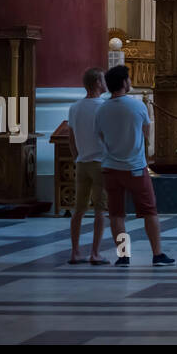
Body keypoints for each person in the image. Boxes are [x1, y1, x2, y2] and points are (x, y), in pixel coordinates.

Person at [96, 65, 174, 267]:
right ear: (124, 82)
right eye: (128, 79)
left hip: (111, 168)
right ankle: (157, 254)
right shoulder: (137, 106)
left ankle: (123, 256)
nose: (130, 82)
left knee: (116, 214)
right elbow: (146, 133)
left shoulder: (102, 108)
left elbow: (101, 136)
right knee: (149, 211)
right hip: (135, 167)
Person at [66, 67, 110, 265]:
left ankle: (75, 252)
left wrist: (77, 157)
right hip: (100, 162)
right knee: (100, 210)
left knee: (79, 210)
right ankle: (95, 253)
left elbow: (71, 138)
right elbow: (107, 136)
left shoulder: (75, 107)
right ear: (98, 84)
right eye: (103, 80)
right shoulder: (104, 107)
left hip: (82, 163)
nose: (106, 83)